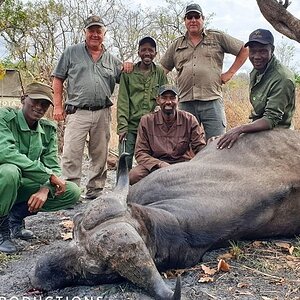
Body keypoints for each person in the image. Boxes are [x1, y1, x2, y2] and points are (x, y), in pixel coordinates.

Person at [0, 82, 81, 254]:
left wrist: (45, 188)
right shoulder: (4, 118)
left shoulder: (48, 129)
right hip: (4, 182)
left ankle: (15, 217)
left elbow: (52, 164)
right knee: (10, 172)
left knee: (72, 191)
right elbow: (6, 153)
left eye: (44, 104)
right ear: (23, 99)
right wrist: (48, 176)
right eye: (35, 101)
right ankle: (2, 230)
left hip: (21, 184)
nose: (39, 107)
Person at [52, 15, 123, 200]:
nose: (95, 34)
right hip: (77, 111)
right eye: (91, 30)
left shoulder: (113, 60)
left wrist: (129, 67)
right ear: (85, 32)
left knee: (100, 154)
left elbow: (126, 81)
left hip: (103, 112)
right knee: (71, 153)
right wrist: (57, 106)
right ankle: (70, 193)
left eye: (98, 31)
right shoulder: (71, 52)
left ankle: (95, 191)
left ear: (104, 33)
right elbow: (58, 78)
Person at [160, 3, 249, 140]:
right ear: (185, 20)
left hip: (211, 101)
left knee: (218, 144)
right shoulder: (177, 44)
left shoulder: (216, 37)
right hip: (185, 102)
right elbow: (162, 70)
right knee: (184, 145)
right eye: (189, 17)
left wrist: (230, 73)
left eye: (197, 16)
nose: (193, 20)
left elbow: (244, 49)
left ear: (203, 18)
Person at [217, 29, 295, 149]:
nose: (256, 57)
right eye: (253, 51)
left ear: (272, 50)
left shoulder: (283, 77)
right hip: (258, 127)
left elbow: (271, 119)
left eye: (263, 51)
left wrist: (240, 129)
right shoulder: (256, 70)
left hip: (278, 132)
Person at [129, 84, 206, 184]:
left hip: (182, 165)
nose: (168, 102)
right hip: (155, 166)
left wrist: (211, 147)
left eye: (172, 98)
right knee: (133, 176)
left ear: (178, 100)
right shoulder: (146, 121)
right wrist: (160, 164)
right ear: (158, 100)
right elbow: (140, 153)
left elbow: (200, 147)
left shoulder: (189, 119)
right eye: (164, 98)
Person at [117, 36, 168, 169]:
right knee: (125, 160)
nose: (147, 53)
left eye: (150, 50)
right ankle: (122, 188)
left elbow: (165, 98)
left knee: (152, 163)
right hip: (131, 126)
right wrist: (122, 126)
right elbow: (123, 100)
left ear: (155, 54)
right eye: (143, 50)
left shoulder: (160, 73)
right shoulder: (128, 73)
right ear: (138, 52)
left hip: (152, 127)